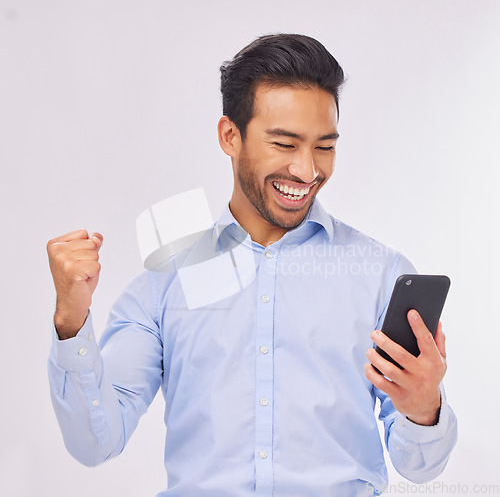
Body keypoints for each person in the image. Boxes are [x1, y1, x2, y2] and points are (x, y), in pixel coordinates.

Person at [47, 34, 457, 496]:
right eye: (284, 143)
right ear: (230, 137)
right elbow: (94, 442)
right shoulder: (166, 282)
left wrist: (425, 408)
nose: (307, 171)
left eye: (325, 146)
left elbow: (420, 467)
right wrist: (70, 321)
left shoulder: (379, 274)